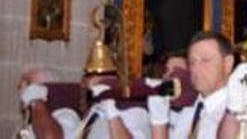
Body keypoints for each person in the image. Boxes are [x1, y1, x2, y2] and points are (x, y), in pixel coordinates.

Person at [18, 67, 150, 139]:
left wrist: (111, 109)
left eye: (87, 92)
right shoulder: (86, 122)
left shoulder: (133, 111)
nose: (81, 96)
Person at [148, 32, 233, 139]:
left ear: (227, 63)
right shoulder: (188, 112)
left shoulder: (236, 114)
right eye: (192, 62)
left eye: (205, 60)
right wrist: (159, 120)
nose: (196, 69)